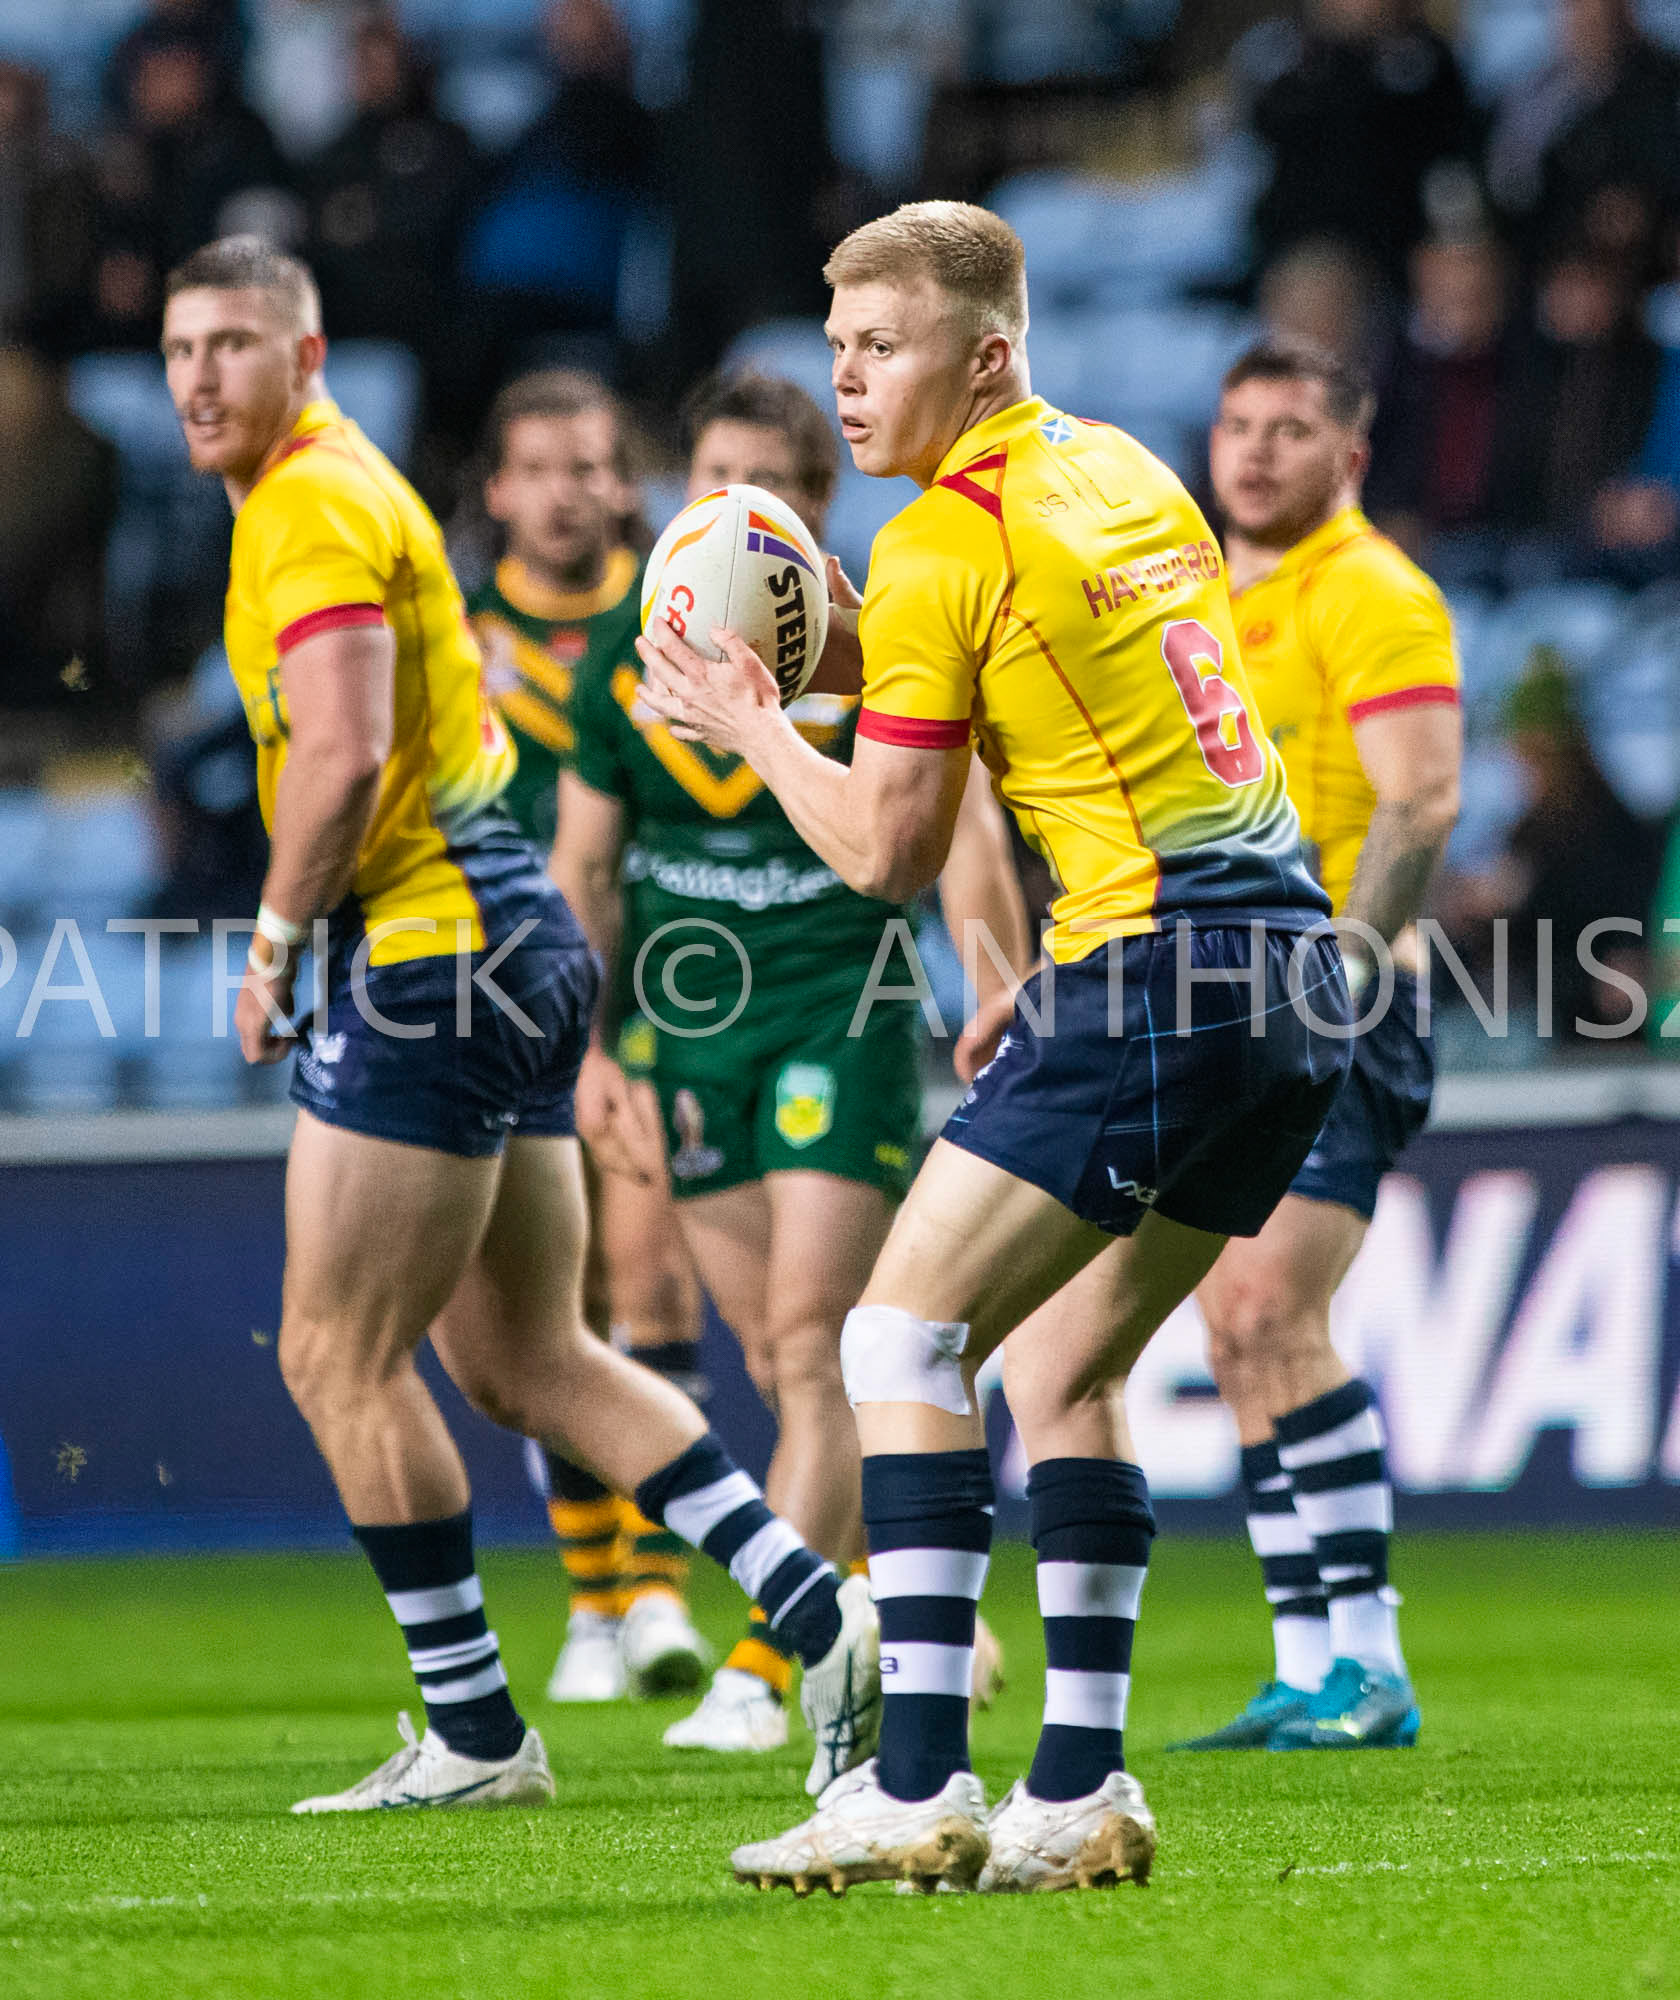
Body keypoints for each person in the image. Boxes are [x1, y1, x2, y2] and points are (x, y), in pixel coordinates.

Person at [636, 201, 1349, 1893]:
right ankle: (1082, 1788)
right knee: (1066, 1368)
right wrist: (838, 659)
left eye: (883, 348)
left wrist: (750, 721)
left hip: (1156, 967)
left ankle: (915, 1780)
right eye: (838, 348)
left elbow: (885, 849)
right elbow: (1050, 690)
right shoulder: (1122, 470)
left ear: (989, 353)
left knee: (900, 1336)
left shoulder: (947, 538)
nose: (848, 383)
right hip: (1292, 974)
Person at [160, 234, 880, 1812]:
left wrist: (275, 943)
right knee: (527, 1357)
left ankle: (479, 1735)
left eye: (232, 345)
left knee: (334, 1353)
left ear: (308, 355)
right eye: (180, 350)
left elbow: (343, 750)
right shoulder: (341, 490)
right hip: (512, 934)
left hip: (433, 946)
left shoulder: (308, 507)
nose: (200, 378)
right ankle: (820, 1609)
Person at [557, 366, 1030, 1757]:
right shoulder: (625, 654)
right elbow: (586, 870)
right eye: (710, 475)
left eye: (761, 481)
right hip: (687, 1037)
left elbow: (969, 829)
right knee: (775, 1354)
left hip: (842, 1010)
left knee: (819, 1343)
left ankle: (768, 1670)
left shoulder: (877, 643)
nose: (729, 503)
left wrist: (996, 988)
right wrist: (588, 1046)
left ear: (815, 508)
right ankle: (907, 1598)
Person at [1156, 341, 1456, 1747]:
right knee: (1233, 1325)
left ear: (1352, 453)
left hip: (1341, 1000)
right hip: (1221, 998)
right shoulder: (1205, 599)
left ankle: (1373, 1665)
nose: (1257, 450)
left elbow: (1423, 800)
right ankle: (1304, 1663)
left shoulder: (1373, 590)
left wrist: (1344, 968)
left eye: (1290, 428)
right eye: (1238, 425)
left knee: (1275, 1310)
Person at [467, 366, 712, 1706]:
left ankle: (656, 1589)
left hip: (665, 984)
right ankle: (593, 1599)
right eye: (540, 469)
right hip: (500, 995)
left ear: (628, 484)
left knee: (652, 1280)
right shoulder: (455, 638)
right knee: (557, 1310)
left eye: (592, 466)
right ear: (498, 491)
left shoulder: (680, 620)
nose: (567, 493)